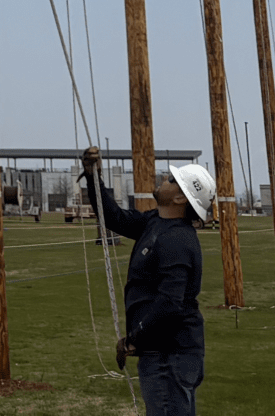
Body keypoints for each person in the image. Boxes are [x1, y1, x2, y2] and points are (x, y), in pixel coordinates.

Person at [82, 146, 216, 415]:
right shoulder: (155, 222)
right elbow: (115, 218)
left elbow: (170, 303)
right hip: (163, 352)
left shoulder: (177, 240)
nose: (164, 179)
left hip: (170, 354)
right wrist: (92, 175)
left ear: (180, 198)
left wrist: (134, 339)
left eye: (171, 180)